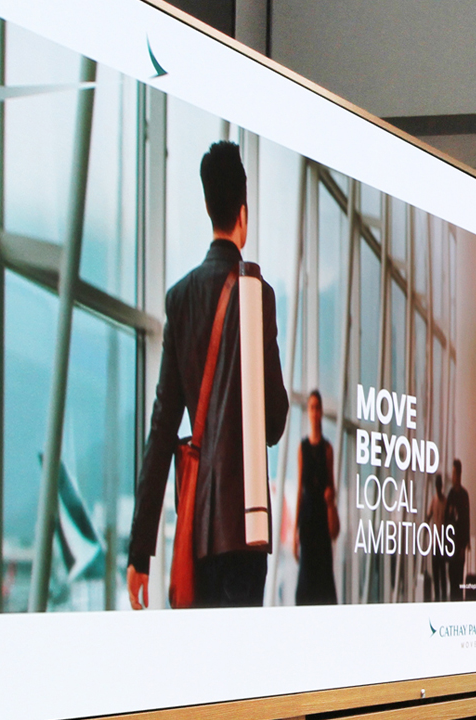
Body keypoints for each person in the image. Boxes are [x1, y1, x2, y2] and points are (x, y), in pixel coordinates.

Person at [127, 140, 289, 609]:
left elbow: (162, 431)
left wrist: (140, 551)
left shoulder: (180, 300)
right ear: (243, 213)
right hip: (245, 530)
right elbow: (275, 423)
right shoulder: (258, 295)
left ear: (207, 207)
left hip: (196, 527)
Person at [294, 390, 338, 605]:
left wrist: (330, 503)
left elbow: (332, 486)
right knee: (306, 578)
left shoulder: (327, 449)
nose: (314, 412)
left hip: (321, 517)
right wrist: (295, 531)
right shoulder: (302, 448)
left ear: (321, 412)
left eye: (317, 407)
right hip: (307, 518)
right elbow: (299, 493)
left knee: (323, 580)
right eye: (311, 407)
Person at [444, 459, 471, 601]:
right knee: (452, 577)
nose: (453, 477)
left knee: (458, 579)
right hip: (451, 545)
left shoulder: (463, 495)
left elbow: (466, 521)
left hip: (458, 546)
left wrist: (463, 546)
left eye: (455, 474)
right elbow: (446, 520)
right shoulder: (451, 495)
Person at [428, 474, 447, 601]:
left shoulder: (443, 501)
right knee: (437, 573)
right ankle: (439, 597)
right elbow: (428, 515)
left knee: (441, 573)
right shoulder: (435, 500)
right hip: (436, 542)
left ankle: (443, 598)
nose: (438, 489)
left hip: (441, 543)